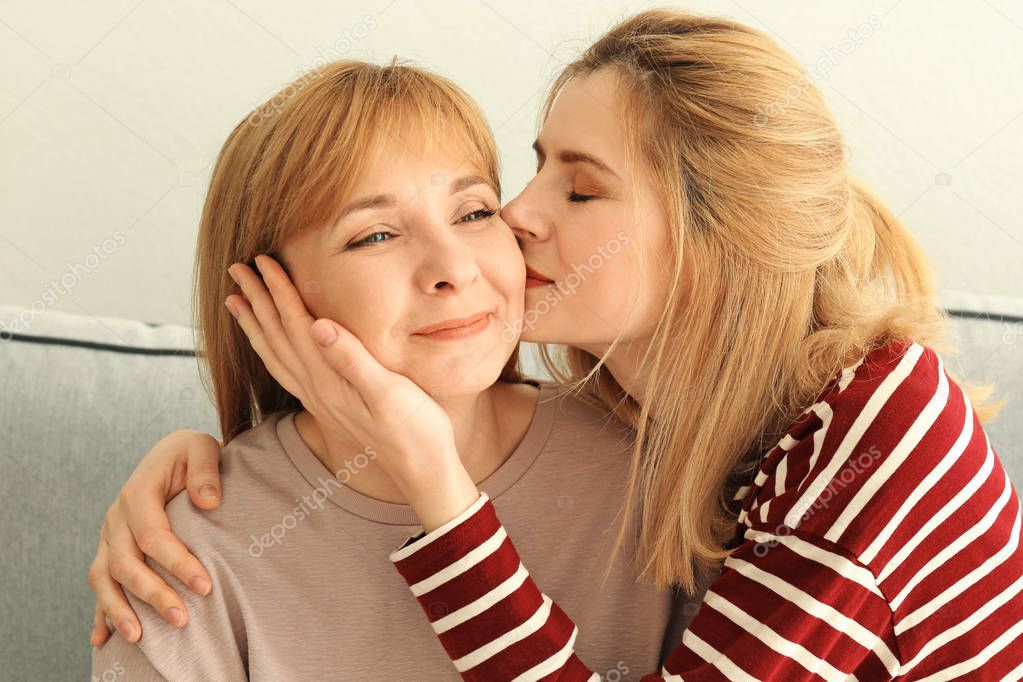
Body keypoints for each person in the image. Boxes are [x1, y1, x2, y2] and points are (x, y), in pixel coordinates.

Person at [91, 9, 1022, 680]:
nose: (514, 220)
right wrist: (202, 466)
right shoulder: (681, 434)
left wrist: (435, 481)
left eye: (579, 191)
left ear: (716, 244)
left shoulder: (868, 435)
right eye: (530, 171)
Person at [89, 59, 703, 680]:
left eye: (473, 213)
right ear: (270, 293)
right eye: (376, 235)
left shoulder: (656, 476)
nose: (454, 267)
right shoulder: (183, 552)